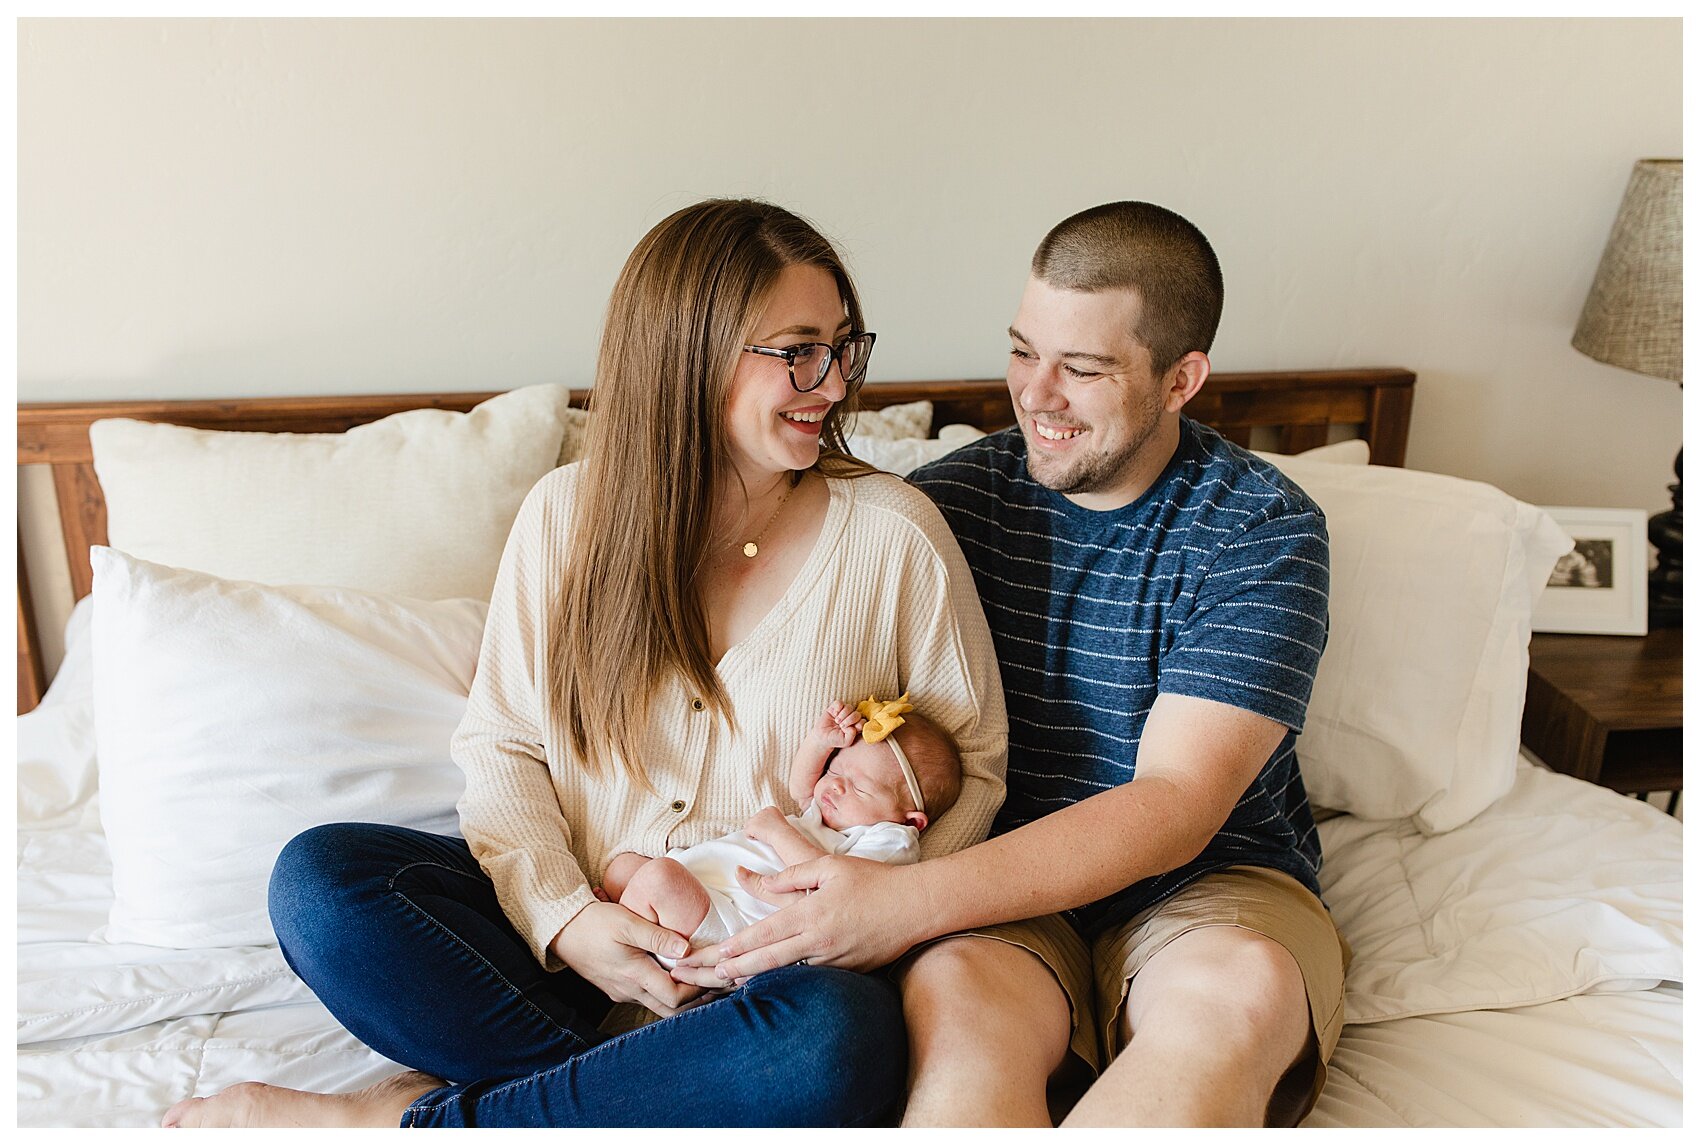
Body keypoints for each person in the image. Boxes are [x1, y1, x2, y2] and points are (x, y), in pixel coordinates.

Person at [162, 199, 1006, 1129]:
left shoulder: (894, 537)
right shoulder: (567, 520)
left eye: (846, 346)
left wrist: (861, 910)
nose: (835, 383)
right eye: (801, 350)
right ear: (690, 354)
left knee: (830, 1040)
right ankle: (646, 1092)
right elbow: (503, 746)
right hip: (558, 959)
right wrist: (566, 918)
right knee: (323, 884)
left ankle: (403, 1119)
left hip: (762, 978)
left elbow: (973, 766)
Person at [681, 201, 1349, 1128]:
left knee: (1233, 997)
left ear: (1181, 378)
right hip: (994, 881)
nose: (1036, 394)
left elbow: (1176, 806)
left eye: (1082, 368)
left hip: (1213, 882)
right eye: (1023, 350)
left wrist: (902, 902)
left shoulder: (1261, 530)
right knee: (958, 1011)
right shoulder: (942, 506)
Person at [604, 696, 963, 962]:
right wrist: (821, 743)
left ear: (910, 819)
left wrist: (778, 832)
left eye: (859, 787)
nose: (835, 786)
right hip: (706, 885)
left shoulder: (890, 839)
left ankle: (636, 946)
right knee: (621, 869)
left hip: (734, 923)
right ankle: (629, 927)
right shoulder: (827, 815)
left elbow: (834, 886)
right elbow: (801, 789)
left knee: (657, 879)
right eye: (836, 772)